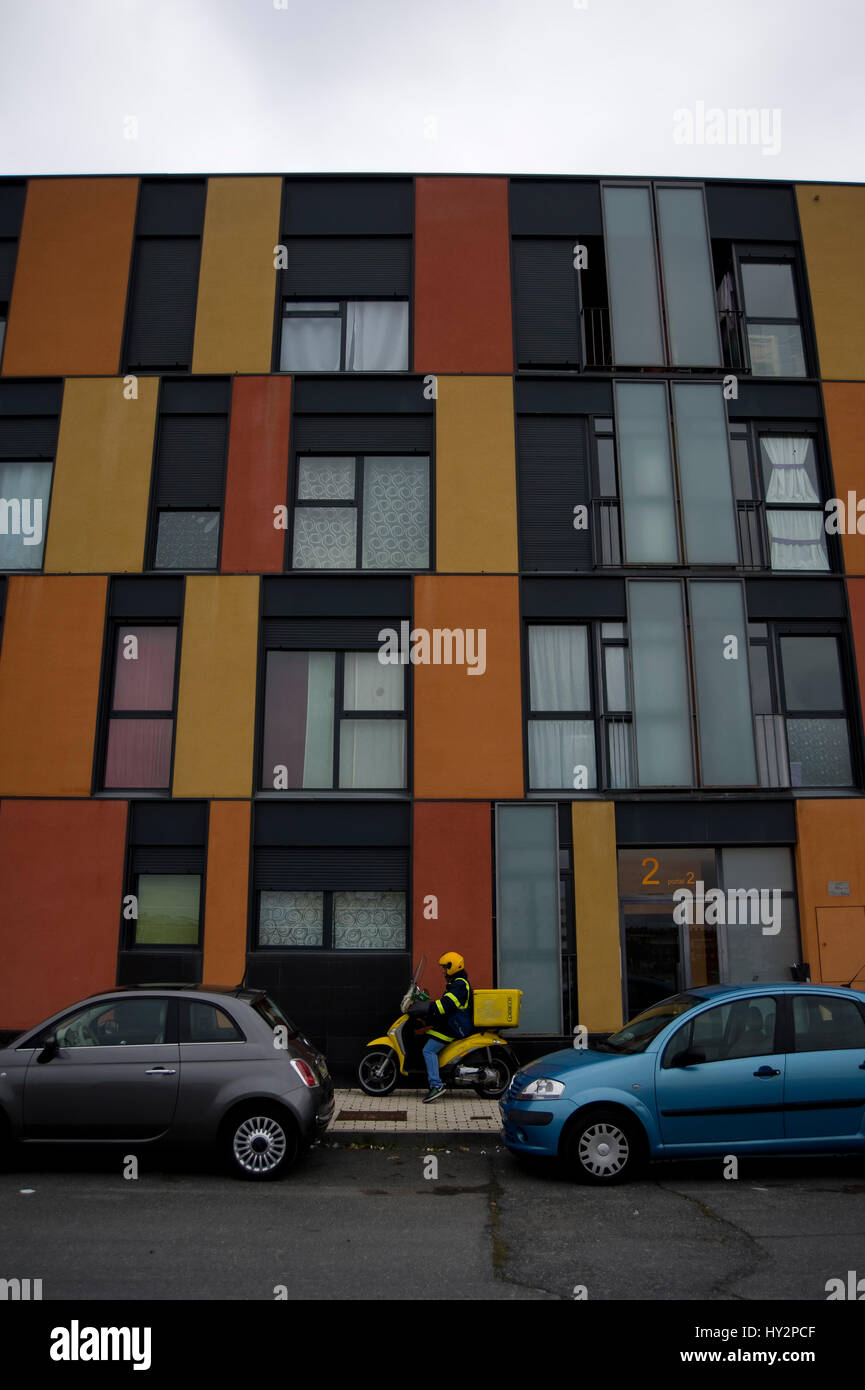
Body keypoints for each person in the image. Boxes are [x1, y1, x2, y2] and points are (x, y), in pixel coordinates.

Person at [408, 952, 473, 1103]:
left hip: (456, 1025)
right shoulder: (456, 983)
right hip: (451, 1023)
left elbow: (446, 1006)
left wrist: (425, 1007)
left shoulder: (460, 984)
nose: (443, 971)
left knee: (428, 1049)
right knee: (426, 1038)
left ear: (453, 967)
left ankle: (436, 1085)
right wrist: (427, 1016)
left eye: (445, 968)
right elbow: (444, 1006)